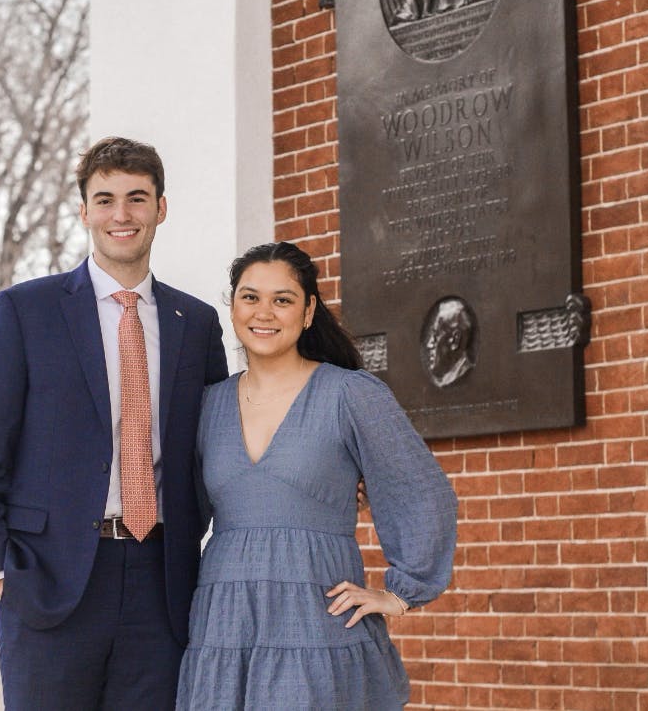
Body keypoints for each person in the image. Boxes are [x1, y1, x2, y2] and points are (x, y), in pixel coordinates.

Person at [0, 136, 229, 710]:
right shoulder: (25, 311)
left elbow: (215, 447)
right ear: (84, 212)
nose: (121, 214)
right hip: (48, 580)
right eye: (105, 200)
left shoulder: (196, 323)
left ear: (161, 208)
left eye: (136, 198)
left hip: (163, 582)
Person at [176, 242, 457, 710]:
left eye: (282, 300)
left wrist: (401, 594)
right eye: (250, 297)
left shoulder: (349, 394)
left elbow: (422, 491)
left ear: (308, 312)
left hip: (316, 619)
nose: (264, 312)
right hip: (224, 622)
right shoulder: (207, 404)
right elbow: (183, 513)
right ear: (233, 306)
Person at [422, 296, 476, 387]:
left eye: (435, 336)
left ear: (455, 340)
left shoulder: (462, 376)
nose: (429, 345)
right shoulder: (443, 379)